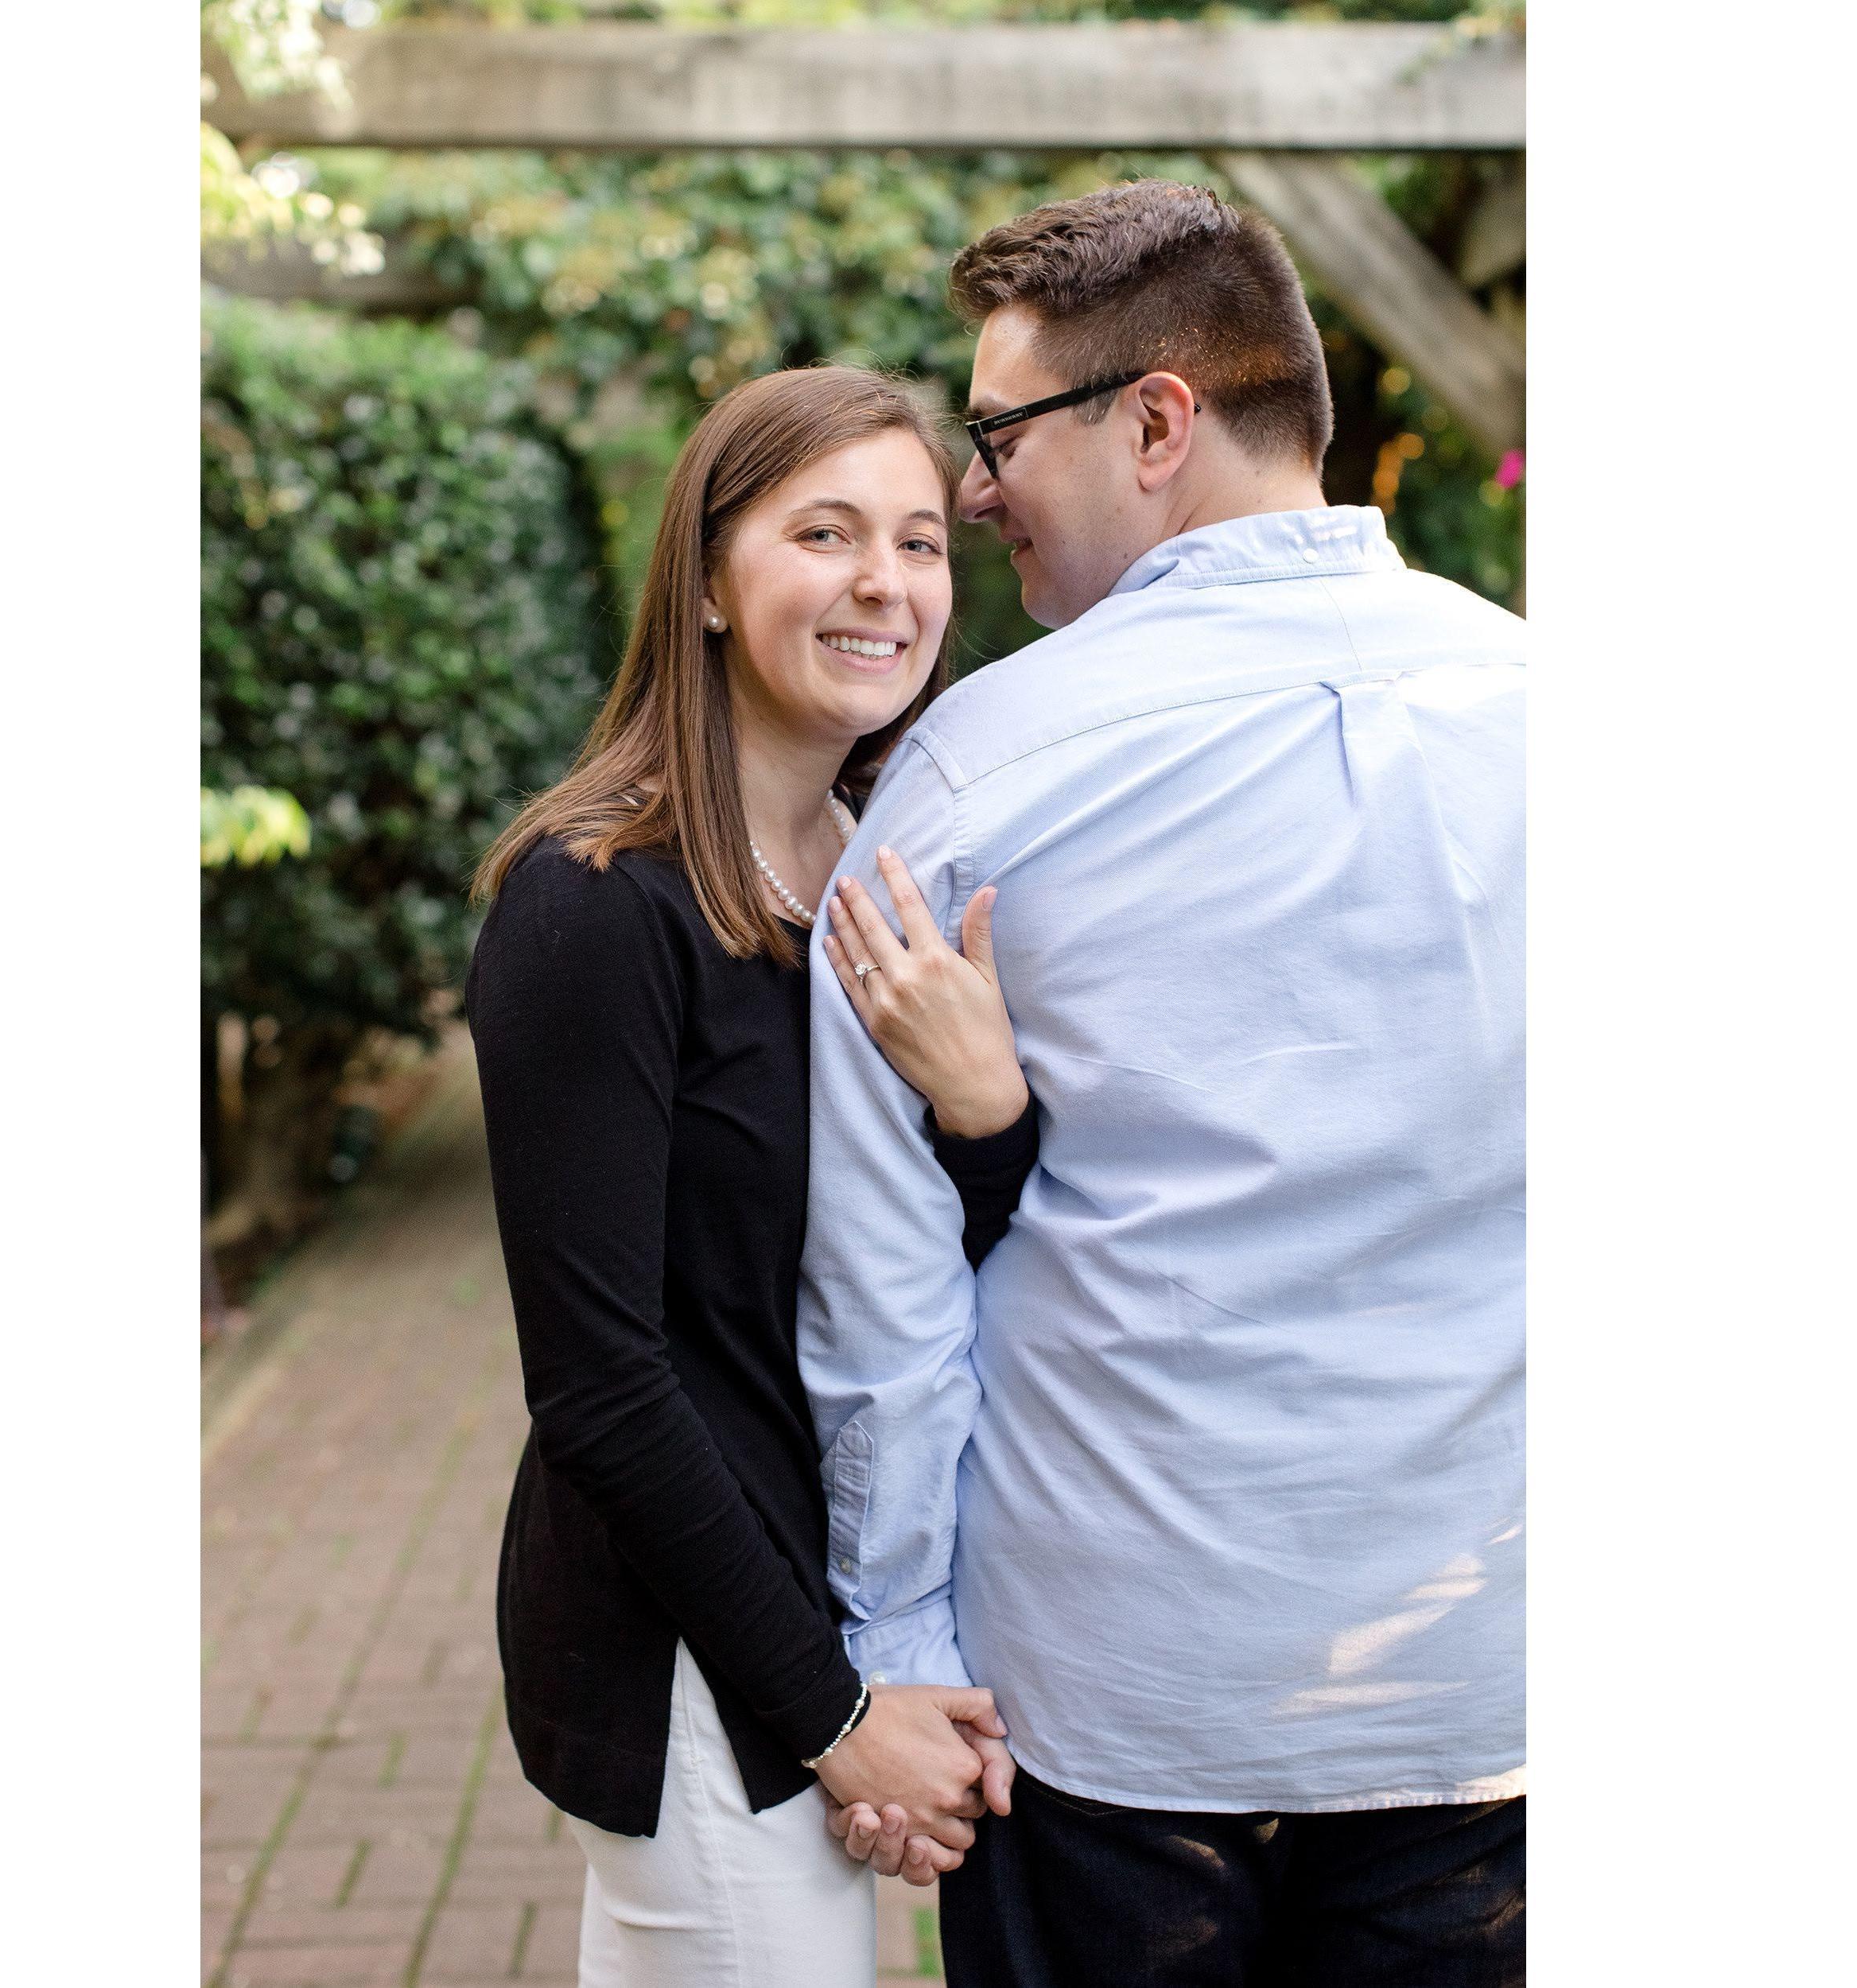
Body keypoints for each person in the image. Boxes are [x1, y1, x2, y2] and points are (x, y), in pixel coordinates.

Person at [798, 180, 1527, 1985]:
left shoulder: (971, 773)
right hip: (1486, 1677)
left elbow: (883, 1290)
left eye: (997, 438)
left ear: (1154, 421)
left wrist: (895, 1645)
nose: (975, 493)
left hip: (1114, 1688)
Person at [462, 365, 1033, 1988]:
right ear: (708, 581)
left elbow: (935, 1261)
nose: (885, 582)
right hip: (697, 1648)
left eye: (919, 541)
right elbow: (600, 1386)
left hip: (831, 1591)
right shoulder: (594, 905)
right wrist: (835, 1718)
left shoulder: (877, 889)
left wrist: (988, 1109)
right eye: (825, 533)